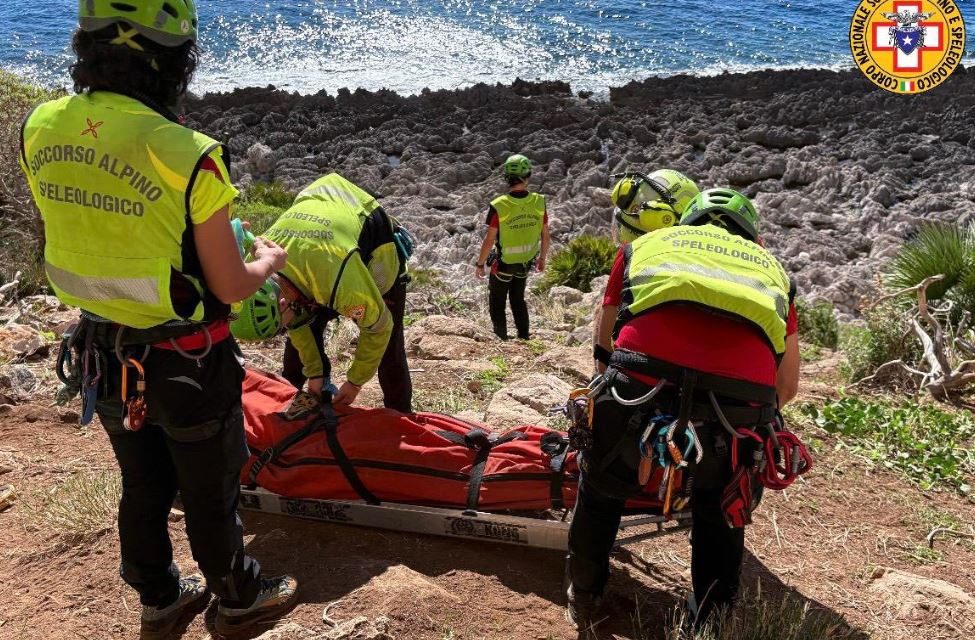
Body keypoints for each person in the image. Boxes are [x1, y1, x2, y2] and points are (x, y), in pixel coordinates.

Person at [18, 1, 298, 637]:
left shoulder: (39, 126)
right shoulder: (190, 153)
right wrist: (268, 262)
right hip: (189, 360)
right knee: (209, 490)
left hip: (102, 352)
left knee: (141, 483)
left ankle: (159, 596)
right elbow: (228, 284)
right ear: (174, 61)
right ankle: (238, 595)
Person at [566, 188, 801, 629]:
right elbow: (785, 386)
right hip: (736, 409)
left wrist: (614, 403)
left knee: (600, 487)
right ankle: (709, 621)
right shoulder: (774, 271)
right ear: (754, 238)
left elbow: (606, 343)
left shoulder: (644, 246)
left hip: (640, 385)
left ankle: (585, 593)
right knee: (721, 508)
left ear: (686, 223)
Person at [232, 173, 413, 413]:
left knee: (390, 350)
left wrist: (355, 382)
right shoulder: (255, 267)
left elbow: (379, 328)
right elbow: (298, 325)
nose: (285, 330)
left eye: (281, 327)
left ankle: (402, 415)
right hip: (318, 233)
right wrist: (316, 375)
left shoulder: (340, 284)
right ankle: (296, 402)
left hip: (366, 244)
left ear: (283, 302)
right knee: (299, 337)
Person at [592, 169, 699, 364]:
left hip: (641, 367)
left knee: (601, 309)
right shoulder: (702, 255)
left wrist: (601, 371)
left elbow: (609, 311)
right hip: (707, 364)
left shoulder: (631, 252)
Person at [475, 154, 550, 340]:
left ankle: (501, 337)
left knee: (497, 301)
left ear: (507, 178)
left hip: (503, 264)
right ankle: (524, 337)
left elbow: (489, 239)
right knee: (518, 300)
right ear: (528, 176)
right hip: (525, 262)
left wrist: (480, 264)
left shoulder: (500, 205)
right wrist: (542, 258)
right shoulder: (539, 201)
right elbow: (545, 234)